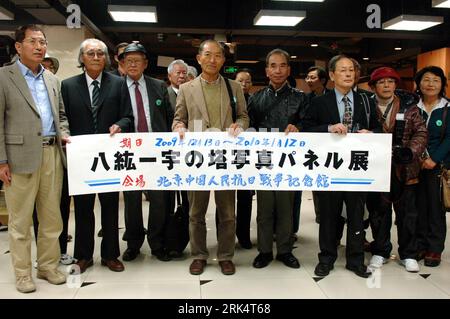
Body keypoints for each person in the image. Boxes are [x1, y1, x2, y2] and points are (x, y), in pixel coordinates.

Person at [0, 24, 70, 293]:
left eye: (43, 42)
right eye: (33, 41)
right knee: (20, 221)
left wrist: (63, 134)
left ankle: (47, 266)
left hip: (52, 153)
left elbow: (60, 115)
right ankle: (22, 273)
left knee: (52, 217)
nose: (40, 46)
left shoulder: (52, 79)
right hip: (18, 157)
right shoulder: (4, 77)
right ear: (19, 46)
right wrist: (1, 161)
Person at [172, 39, 249, 276]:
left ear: (224, 60)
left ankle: (225, 255)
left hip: (225, 159)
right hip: (198, 159)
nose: (212, 59)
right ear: (198, 58)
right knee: (196, 212)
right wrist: (179, 128)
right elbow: (178, 119)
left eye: (218, 55)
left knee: (227, 212)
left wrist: (240, 126)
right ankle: (199, 255)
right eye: (208, 55)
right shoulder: (187, 88)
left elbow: (244, 116)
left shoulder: (233, 87)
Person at [303, 55, 380, 278]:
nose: (348, 74)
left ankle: (355, 260)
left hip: (357, 168)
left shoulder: (366, 100)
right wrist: (328, 128)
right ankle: (326, 258)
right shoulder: (319, 102)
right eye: (343, 70)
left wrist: (371, 133)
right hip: (330, 168)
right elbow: (306, 129)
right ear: (333, 75)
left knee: (357, 214)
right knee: (329, 215)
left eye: (351, 70)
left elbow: (377, 128)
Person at [61, 38, 133, 274]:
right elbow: (63, 119)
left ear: (106, 58)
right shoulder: (68, 86)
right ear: (82, 58)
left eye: (100, 53)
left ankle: (111, 255)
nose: (95, 57)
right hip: (81, 157)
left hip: (108, 157)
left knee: (111, 206)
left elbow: (128, 116)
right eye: (90, 53)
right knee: (82, 208)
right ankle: (83, 256)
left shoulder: (118, 84)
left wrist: (119, 125)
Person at [248, 49, 308, 269]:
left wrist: (299, 127)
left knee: (286, 208)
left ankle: (284, 250)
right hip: (263, 159)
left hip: (288, 161)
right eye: (273, 66)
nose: (278, 70)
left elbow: (309, 125)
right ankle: (264, 251)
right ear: (266, 70)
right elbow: (249, 126)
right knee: (264, 209)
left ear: (289, 69)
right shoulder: (256, 98)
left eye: (282, 66)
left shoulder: (301, 98)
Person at [366, 67, 427, 273]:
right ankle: (380, 250)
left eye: (391, 82)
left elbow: (420, 132)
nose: (386, 85)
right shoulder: (366, 106)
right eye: (381, 82)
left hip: (406, 168)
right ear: (373, 86)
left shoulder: (409, 107)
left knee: (408, 213)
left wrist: (410, 151)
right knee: (378, 211)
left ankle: (409, 253)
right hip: (376, 168)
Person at [120, 43, 175, 262]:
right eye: (129, 60)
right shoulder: (116, 86)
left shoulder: (158, 86)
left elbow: (169, 116)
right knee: (132, 201)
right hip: (129, 152)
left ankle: (157, 243)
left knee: (159, 200)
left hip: (156, 151)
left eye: (137, 60)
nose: (133, 64)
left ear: (145, 63)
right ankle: (133, 243)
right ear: (122, 64)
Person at [415, 66, 450, 267]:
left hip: (438, 166)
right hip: (414, 165)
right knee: (417, 206)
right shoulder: (412, 107)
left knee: (435, 208)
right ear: (419, 83)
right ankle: (420, 243)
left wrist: (434, 159)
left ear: (442, 84)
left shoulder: (447, 108)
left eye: (436, 80)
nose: (430, 84)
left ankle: (434, 248)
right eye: (426, 80)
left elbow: (449, 139)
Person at [305, 66, 329, 224]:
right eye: (307, 77)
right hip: (313, 145)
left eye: (313, 77)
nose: (309, 80)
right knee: (316, 181)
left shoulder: (331, 97)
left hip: (330, 145)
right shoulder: (306, 98)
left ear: (323, 80)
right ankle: (320, 214)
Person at [234, 69, 254, 249]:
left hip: (248, 157)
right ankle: (223, 235)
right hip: (228, 155)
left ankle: (244, 235)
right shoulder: (229, 99)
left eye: (247, 81)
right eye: (240, 81)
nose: (244, 84)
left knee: (246, 199)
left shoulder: (254, 101)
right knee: (224, 199)